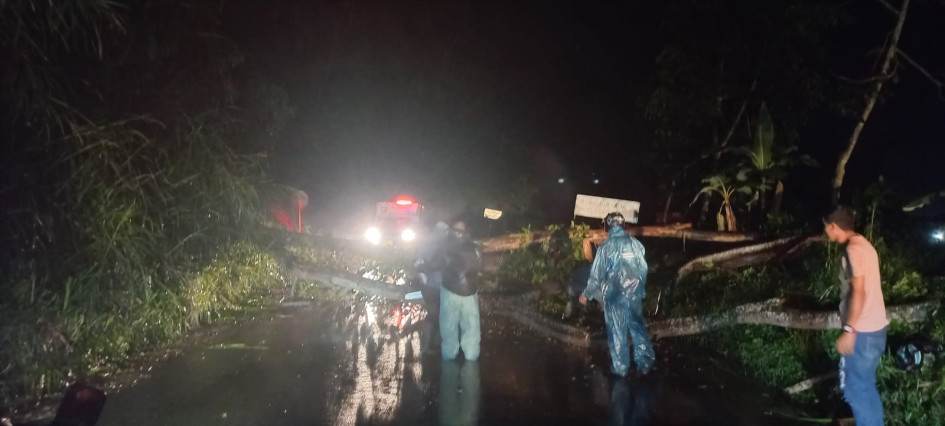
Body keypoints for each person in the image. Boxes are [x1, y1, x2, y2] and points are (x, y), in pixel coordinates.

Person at [823, 206, 888, 426]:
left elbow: (859, 292)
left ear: (833, 226)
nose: (825, 231)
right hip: (875, 330)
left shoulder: (853, 249)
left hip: (862, 332)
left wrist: (849, 331)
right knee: (865, 386)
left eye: (826, 227)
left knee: (854, 390)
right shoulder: (865, 245)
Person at [580, 212, 655, 377]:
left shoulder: (605, 248)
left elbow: (596, 275)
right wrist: (639, 289)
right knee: (637, 328)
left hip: (615, 297)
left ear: (607, 226)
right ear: (623, 225)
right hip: (634, 295)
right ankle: (645, 364)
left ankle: (621, 368)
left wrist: (587, 293)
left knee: (617, 332)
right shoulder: (635, 244)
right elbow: (643, 269)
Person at [439, 221, 482, 361]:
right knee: (471, 326)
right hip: (470, 291)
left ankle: (449, 356)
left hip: (449, 291)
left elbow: (435, 263)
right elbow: (480, 266)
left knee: (448, 326)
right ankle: (471, 356)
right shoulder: (474, 247)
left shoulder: (444, 244)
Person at [416, 221, 450, 353]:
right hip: (432, 287)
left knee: (438, 314)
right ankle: (428, 345)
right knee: (434, 315)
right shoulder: (431, 245)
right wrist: (425, 281)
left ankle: (434, 343)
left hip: (438, 286)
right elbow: (419, 263)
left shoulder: (438, 245)